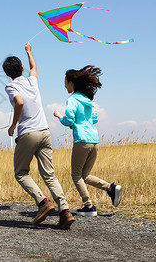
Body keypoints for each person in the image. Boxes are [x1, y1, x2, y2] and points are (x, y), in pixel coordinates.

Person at [3, 42, 74, 229]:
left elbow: (18, 103)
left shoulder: (11, 86)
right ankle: (65, 211)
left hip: (28, 133)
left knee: (21, 173)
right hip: (44, 131)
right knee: (49, 175)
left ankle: (43, 203)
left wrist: (13, 126)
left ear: (7, 73)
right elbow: (34, 67)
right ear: (21, 68)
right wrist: (28, 52)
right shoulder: (32, 80)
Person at [53, 65, 122, 217]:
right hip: (94, 140)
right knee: (85, 175)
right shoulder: (87, 100)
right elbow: (95, 118)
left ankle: (89, 206)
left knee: (76, 175)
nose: (64, 84)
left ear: (71, 82)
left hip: (82, 141)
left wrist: (59, 116)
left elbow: (69, 119)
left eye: (65, 81)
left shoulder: (72, 99)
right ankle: (111, 188)